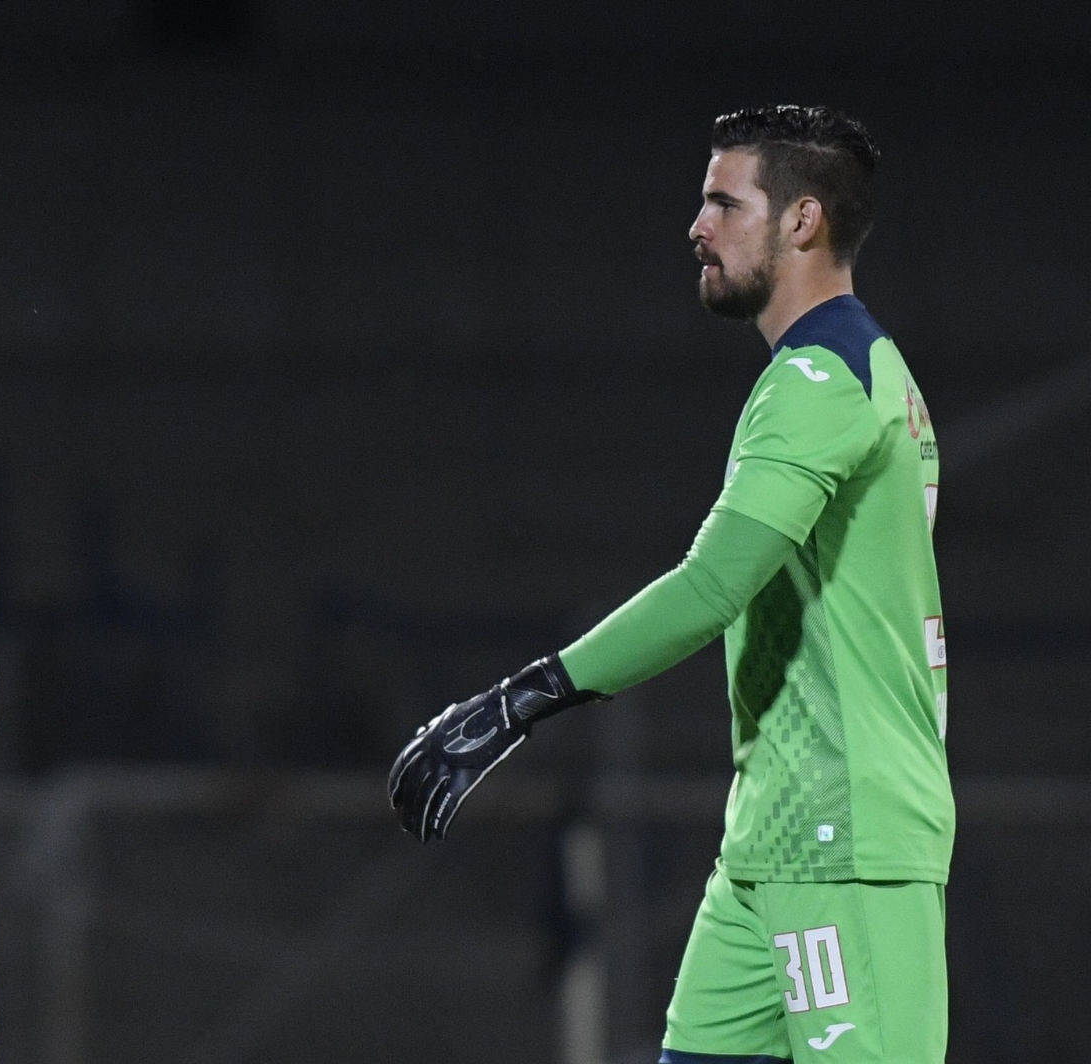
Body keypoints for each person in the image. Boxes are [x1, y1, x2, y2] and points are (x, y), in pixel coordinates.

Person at [390, 105, 951, 1063]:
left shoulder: (822, 383)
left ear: (802, 221)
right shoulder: (853, 369)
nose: (698, 227)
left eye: (723, 203)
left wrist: (515, 704)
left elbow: (710, 588)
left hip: (843, 844)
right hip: (768, 845)